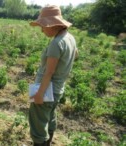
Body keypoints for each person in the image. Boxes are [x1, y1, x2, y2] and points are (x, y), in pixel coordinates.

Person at [29, 5, 78, 146]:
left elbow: (49, 72)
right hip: (58, 89)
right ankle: (48, 142)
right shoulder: (70, 38)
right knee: (49, 117)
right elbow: (75, 55)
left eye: (43, 26)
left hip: (47, 90)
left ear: (53, 25)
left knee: (38, 125)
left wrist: (39, 93)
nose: (42, 29)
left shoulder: (56, 43)